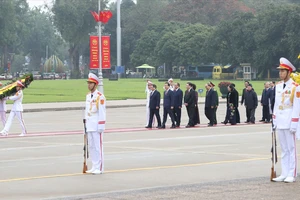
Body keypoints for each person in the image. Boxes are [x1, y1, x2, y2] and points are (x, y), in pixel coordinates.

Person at [272, 57, 299, 183]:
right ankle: (284, 172)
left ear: (289, 72)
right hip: (280, 120)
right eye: (280, 71)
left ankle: (291, 173)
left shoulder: (295, 87)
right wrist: (274, 119)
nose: (280, 73)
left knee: (291, 148)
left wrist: (294, 123)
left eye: (283, 71)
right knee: (283, 149)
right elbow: (276, 105)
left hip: (289, 120)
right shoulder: (277, 87)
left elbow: (296, 106)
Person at [84, 73, 106, 175]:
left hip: (97, 125)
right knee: (92, 147)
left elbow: (102, 112)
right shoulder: (88, 96)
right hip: (90, 125)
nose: (89, 85)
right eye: (88, 83)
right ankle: (94, 165)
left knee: (98, 147)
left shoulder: (100, 97)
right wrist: (85, 122)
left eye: (91, 83)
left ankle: (99, 167)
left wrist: (101, 126)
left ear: (95, 85)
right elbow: (87, 110)